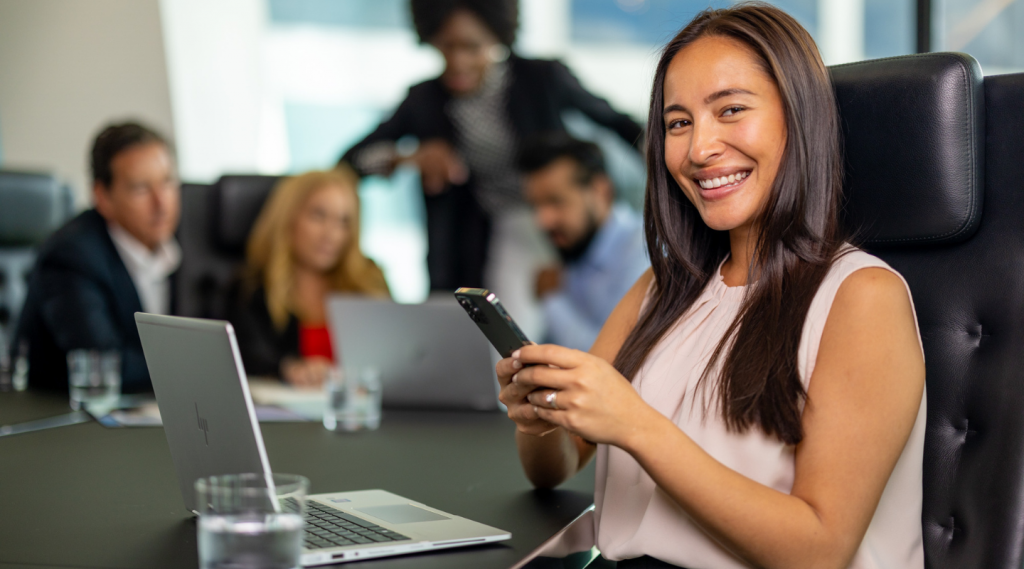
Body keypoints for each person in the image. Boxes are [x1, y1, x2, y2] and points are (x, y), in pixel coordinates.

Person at [497, 4, 927, 569]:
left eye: (730, 110)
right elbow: (556, 464)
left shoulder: (861, 297)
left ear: (798, 119)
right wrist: (538, 419)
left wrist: (635, 425)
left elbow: (818, 551)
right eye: (679, 123)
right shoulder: (662, 290)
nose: (699, 149)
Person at [339, 0, 643, 339]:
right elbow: (352, 161)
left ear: (497, 37)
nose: (457, 60)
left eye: (471, 46)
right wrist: (406, 157)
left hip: (561, 221)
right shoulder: (424, 100)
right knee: (502, 334)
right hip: (492, 234)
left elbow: (618, 124)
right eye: (445, 46)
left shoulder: (541, 78)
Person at [15, 122, 181, 393]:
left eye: (167, 182)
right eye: (141, 188)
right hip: (65, 420)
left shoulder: (185, 242)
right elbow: (102, 364)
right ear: (102, 197)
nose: (161, 203)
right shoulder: (70, 255)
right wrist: (196, 368)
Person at [228, 168, 390, 388]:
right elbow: (245, 358)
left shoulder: (370, 283)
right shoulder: (252, 287)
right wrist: (288, 370)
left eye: (343, 222)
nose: (331, 234)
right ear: (288, 218)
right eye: (318, 216)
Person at [519, 134, 648, 352]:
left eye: (555, 201)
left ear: (600, 190)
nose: (543, 221)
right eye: (535, 206)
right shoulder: (576, 246)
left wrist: (551, 298)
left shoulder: (644, 251)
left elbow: (611, 358)